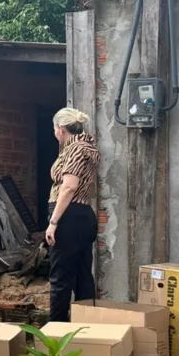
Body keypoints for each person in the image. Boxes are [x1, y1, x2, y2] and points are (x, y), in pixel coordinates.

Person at [46, 107, 100, 322]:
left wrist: (53, 222)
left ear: (60, 129)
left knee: (60, 278)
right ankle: (87, 328)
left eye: (54, 129)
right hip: (82, 215)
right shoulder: (87, 146)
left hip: (68, 217)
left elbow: (69, 187)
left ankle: (55, 332)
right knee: (82, 276)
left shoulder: (76, 149)